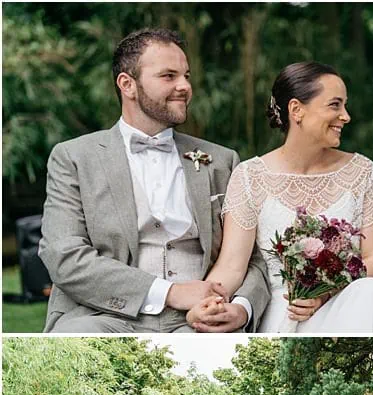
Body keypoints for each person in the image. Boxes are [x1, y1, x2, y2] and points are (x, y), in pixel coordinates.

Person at [37, 28, 270, 333]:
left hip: (199, 321)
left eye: (186, 75)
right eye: (169, 76)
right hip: (102, 316)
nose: (184, 86)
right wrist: (171, 293)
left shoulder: (223, 161)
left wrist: (241, 309)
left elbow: (253, 258)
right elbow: (64, 255)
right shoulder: (73, 158)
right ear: (127, 84)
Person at [193, 61, 373, 333]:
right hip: (283, 314)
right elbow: (231, 266)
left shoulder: (362, 171)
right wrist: (209, 303)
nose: (345, 116)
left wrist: (323, 293)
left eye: (345, 106)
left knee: (370, 291)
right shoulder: (249, 176)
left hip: (348, 303)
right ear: (296, 110)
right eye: (335, 105)